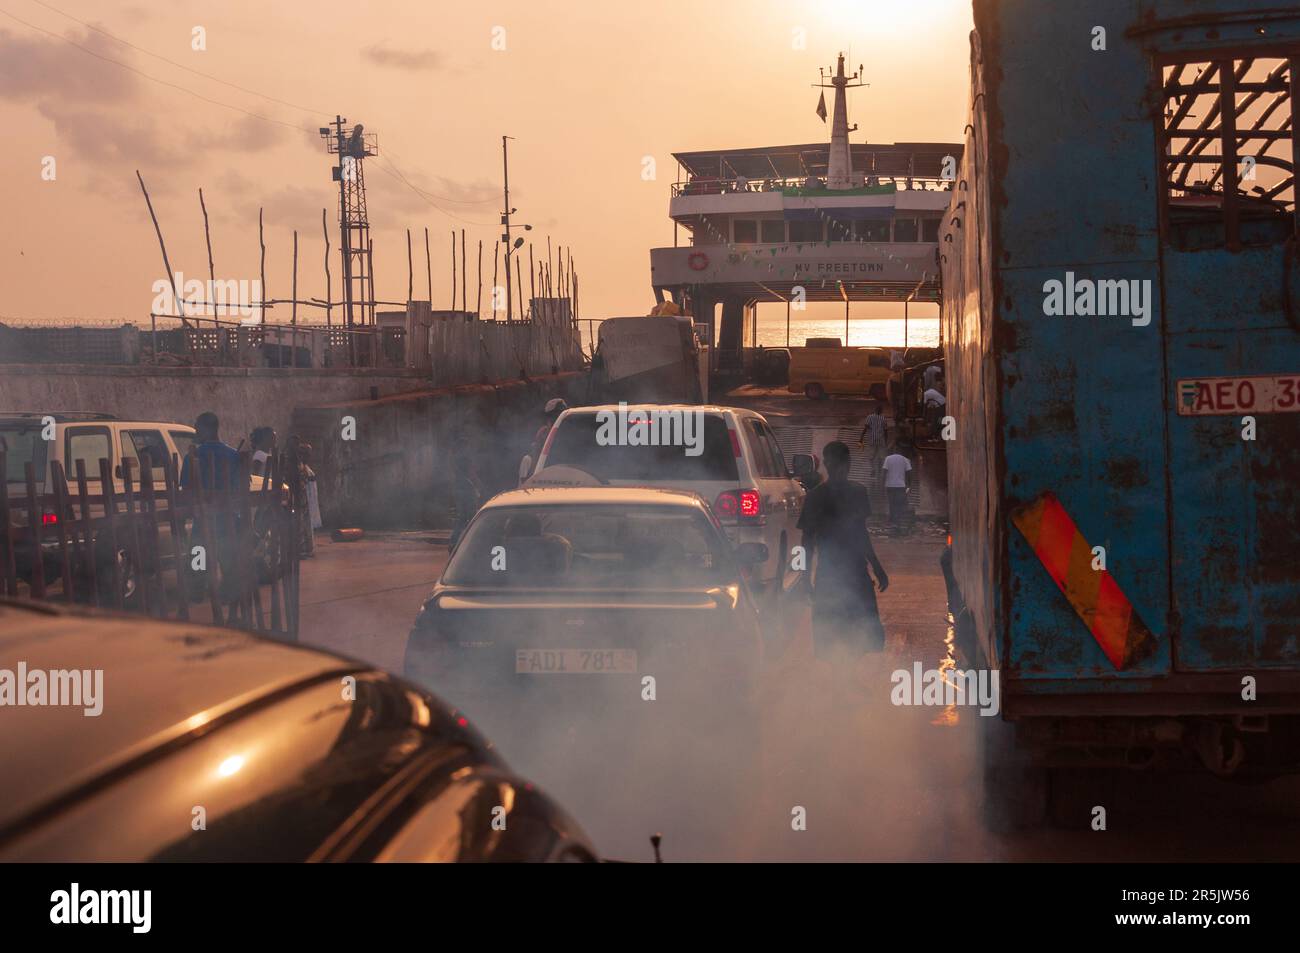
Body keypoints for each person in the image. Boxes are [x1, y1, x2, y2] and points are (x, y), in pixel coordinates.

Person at [796, 441, 889, 666]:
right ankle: (844, 682)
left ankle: (842, 683)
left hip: (831, 574)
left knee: (836, 631)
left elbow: (806, 542)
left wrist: (804, 576)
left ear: (826, 464)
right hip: (853, 573)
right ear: (847, 463)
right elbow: (861, 534)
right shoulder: (857, 492)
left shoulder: (815, 496)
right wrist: (876, 567)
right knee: (856, 631)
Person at [179, 411, 241, 490]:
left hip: (199, 502)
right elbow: (240, 487)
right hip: (230, 502)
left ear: (208, 430)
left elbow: (186, 490)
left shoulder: (191, 457)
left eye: (197, 429)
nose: (196, 433)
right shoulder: (234, 455)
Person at [449, 455, 482, 550]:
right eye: (472, 466)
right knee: (463, 521)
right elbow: (469, 498)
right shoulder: (464, 483)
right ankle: (455, 543)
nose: (474, 468)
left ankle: (454, 543)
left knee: (462, 522)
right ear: (467, 468)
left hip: (467, 510)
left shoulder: (465, 482)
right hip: (468, 510)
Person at [882, 442, 913, 535]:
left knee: (892, 504)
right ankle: (897, 524)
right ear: (901, 451)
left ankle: (893, 524)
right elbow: (909, 473)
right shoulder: (905, 459)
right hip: (900, 486)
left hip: (890, 486)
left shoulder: (888, 458)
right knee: (899, 505)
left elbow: (884, 472)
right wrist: (909, 485)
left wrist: (882, 484)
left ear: (893, 450)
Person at [857, 401, 889, 486]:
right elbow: (886, 431)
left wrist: (861, 438)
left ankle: (873, 470)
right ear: (881, 411)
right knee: (883, 457)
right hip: (881, 441)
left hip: (872, 441)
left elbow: (865, 428)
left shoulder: (869, 417)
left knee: (871, 457)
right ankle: (883, 472)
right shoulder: (884, 419)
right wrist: (886, 441)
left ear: (874, 410)